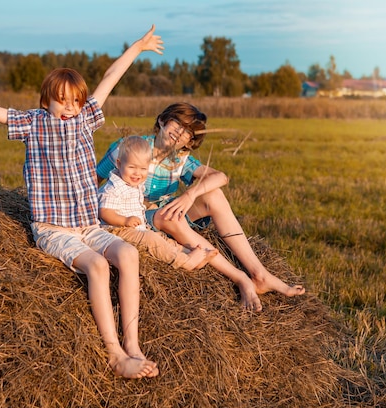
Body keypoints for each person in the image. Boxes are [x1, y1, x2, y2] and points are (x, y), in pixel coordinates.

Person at [0, 25, 164, 379]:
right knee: (98, 267)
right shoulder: (31, 124)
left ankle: (133, 344)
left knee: (128, 255)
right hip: (53, 228)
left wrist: (138, 47)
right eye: (61, 100)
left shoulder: (86, 120)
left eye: (75, 101)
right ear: (45, 100)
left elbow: (111, 76)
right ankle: (114, 354)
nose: (69, 108)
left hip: (88, 223)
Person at [97, 102, 305, 312]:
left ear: (191, 140)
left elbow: (221, 177)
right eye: (177, 124)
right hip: (134, 219)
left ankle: (259, 274)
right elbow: (93, 179)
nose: (180, 134)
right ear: (162, 121)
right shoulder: (129, 148)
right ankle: (240, 277)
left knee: (213, 194)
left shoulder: (181, 160)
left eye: (188, 132)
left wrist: (190, 194)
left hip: (163, 212)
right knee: (172, 217)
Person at [98, 135, 218, 270]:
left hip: (136, 229)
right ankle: (185, 262)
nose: (137, 173)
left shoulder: (133, 184)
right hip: (117, 231)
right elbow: (104, 212)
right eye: (132, 167)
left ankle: (188, 253)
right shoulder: (113, 187)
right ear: (119, 164)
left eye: (143, 169)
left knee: (162, 239)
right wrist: (124, 221)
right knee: (151, 239)